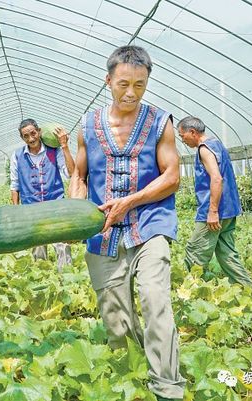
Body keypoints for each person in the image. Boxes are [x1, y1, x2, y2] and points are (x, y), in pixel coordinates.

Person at [69, 45, 185, 401]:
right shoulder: (88, 125)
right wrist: (75, 209)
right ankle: (133, 375)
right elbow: (80, 175)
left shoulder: (159, 122)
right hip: (102, 233)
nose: (131, 92)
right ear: (108, 81)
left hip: (150, 224)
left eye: (139, 84)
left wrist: (131, 202)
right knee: (115, 316)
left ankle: (167, 386)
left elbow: (172, 176)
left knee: (154, 299)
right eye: (123, 84)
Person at [177, 116, 252, 289]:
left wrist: (212, 211)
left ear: (193, 132)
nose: (182, 140)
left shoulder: (204, 149)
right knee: (226, 253)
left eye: (183, 135)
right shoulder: (217, 144)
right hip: (229, 209)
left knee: (194, 251)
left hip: (214, 211)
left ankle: (193, 290)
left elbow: (217, 179)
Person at [10, 118, 75, 272]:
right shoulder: (17, 156)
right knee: (38, 248)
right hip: (32, 210)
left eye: (33, 133)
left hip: (56, 206)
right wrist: (15, 210)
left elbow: (71, 173)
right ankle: (43, 279)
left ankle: (66, 279)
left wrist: (64, 146)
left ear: (39, 132)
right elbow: (14, 185)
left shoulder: (55, 151)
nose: (31, 138)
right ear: (22, 138)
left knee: (62, 246)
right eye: (26, 136)